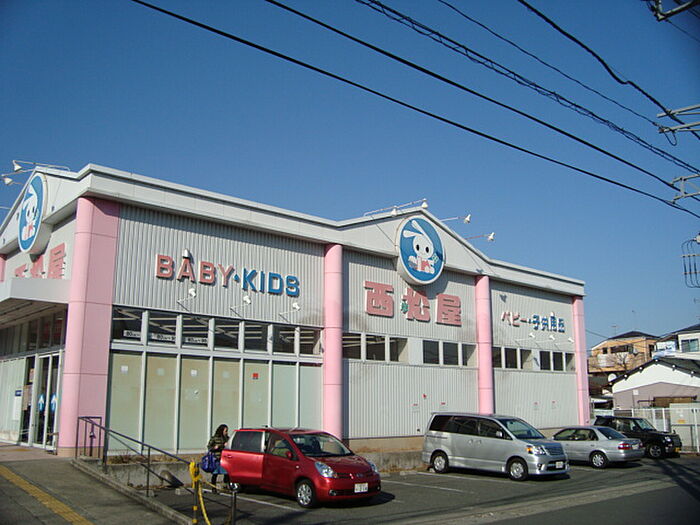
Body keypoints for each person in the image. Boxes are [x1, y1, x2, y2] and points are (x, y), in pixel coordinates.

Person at [207, 424, 230, 493]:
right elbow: (209, 446)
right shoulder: (215, 438)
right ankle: (213, 487)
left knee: (226, 472)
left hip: (225, 458)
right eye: (225, 431)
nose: (226, 432)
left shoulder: (227, 438)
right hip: (216, 457)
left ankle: (225, 485)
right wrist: (215, 447)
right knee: (215, 473)